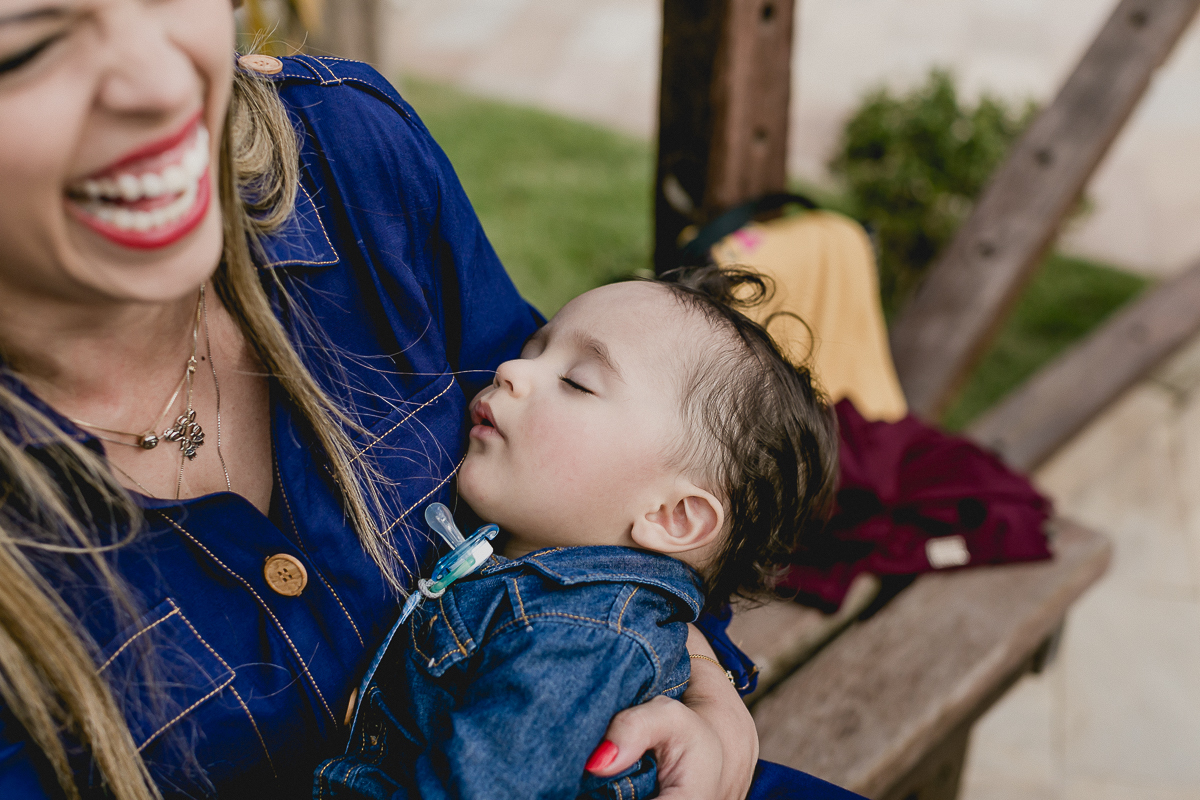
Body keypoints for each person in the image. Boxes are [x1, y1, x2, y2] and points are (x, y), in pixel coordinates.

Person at [0, 1, 863, 798]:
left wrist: (709, 698)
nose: (162, 85)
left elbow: (649, 459)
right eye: (32, 48)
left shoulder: (347, 156)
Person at [314, 268, 840, 799]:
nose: (511, 368)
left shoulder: (577, 636)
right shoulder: (546, 594)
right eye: (532, 347)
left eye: (576, 382)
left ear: (673, 516)